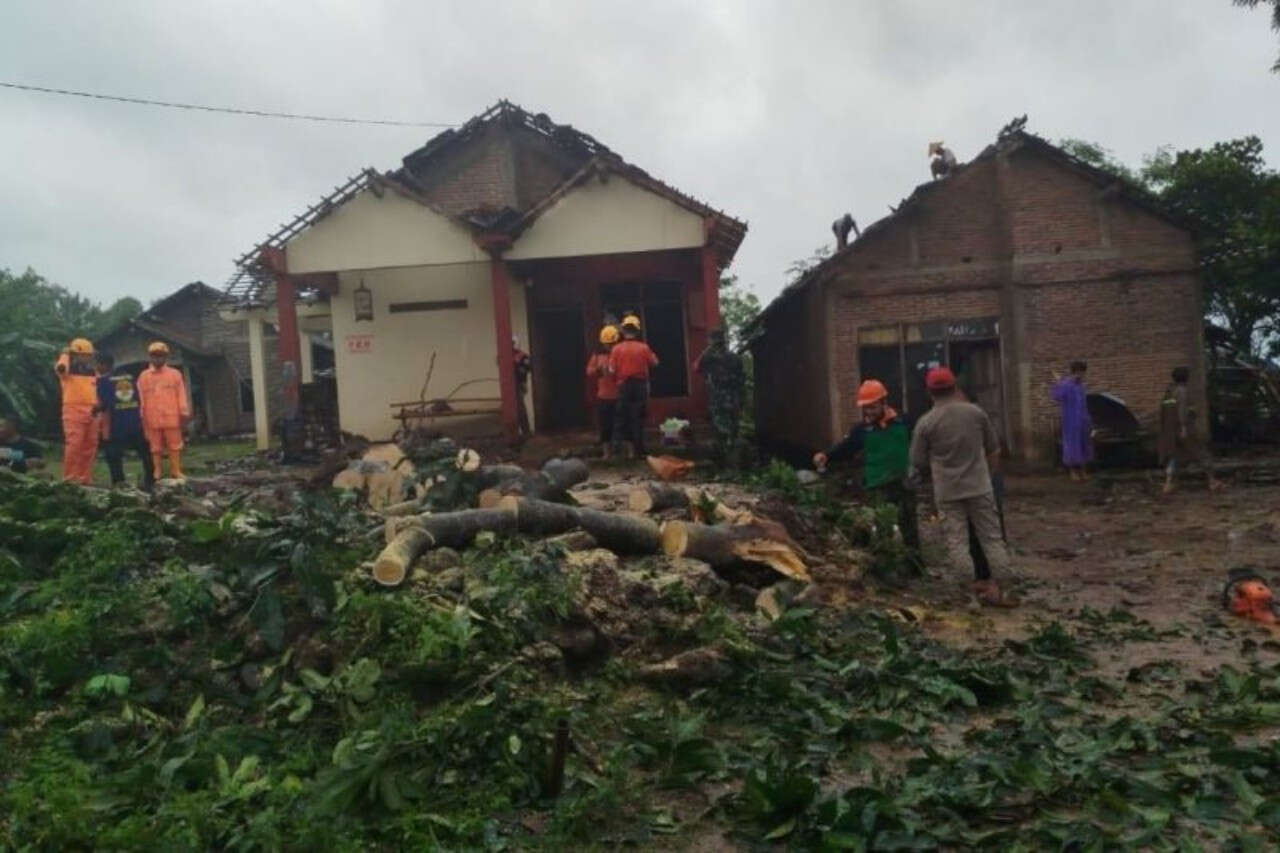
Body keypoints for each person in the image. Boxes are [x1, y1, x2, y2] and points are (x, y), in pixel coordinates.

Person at [909, 366, 1016, 606]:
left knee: (957, 542)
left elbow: (917, 461)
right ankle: (1006, 591)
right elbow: (994, 449)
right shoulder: (975, 413)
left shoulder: (926, 423)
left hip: (948, 492)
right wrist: (985, 476)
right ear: (954, 386)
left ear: (929, 392)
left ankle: (969, 597)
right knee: (991, 539)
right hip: (980, 487)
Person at [813, 379, 919, 566]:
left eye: (873, 407)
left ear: (884, 403)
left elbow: (921, 443)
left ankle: (915, 565)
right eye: (866, 408)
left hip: (903, 481)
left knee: (909, 524)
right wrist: (826, 456)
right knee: (882, 525)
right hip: (877, 483)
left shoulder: (905, 422)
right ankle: (886, 564)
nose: (868, 412)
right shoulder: (861, 430)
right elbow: (846, 448)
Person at [94, 352, 155, 491]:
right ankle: (151, 480)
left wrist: (94, 410)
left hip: (117, 424)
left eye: (97, 364)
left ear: (104, 365)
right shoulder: (130, 378)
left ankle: (119, 483)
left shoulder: (103, 381)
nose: (96, 367)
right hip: (135, 422)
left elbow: (104, 404)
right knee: (145, 453)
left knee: (113, 454)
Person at [1158, 366, 1223, 495]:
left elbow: (1163, 412)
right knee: (1200, 453)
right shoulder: (1182, 391)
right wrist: (1184, 427)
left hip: (1170, 431)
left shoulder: (1168, 393)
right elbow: (1182, 410)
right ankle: (1212, 481)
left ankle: (1168, 484)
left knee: (1174, 457)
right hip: (1185, 429)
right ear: (1186, 378)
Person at [137, 341, 190, 481]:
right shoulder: (143, 376)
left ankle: (176, 470)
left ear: (166, 357)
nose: (158, 359)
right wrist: (141, 415)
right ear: (150, 357)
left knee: (175, 445)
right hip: (152, 418)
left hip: (172, 418)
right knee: (155, 447)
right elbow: (140, 397)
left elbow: (181, 394)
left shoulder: (175, 374)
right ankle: (157, 472)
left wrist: (183, 412)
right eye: (154, 356)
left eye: (161, 356)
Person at [608, 314, 659, 458]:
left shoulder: (616, 349)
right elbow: (655, 362)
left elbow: (611, 370)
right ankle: (639, 450)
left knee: (621, 418)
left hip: (624, 385)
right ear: (637, 331)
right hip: (640, 386)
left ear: (623, 331)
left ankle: (616, 450)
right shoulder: (644, 348)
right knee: (638, 418)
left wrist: (617, 380)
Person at [694, 328, 746, 466]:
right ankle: (735, 463)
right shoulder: (735, 358)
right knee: (734, 430)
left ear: (711, 341)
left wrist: (706, 350)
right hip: (734, 398)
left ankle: (723, 464)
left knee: (721, 430)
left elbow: (696, 367)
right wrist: (742, 401)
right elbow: (742, 380)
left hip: (718, 399)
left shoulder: (709, 358)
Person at [54, 337, 100, 484]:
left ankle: (84, 477)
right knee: (75, 444)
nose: (87, 358)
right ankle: (70, 478)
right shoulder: (66, 369)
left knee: (90, 445)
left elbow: (97, 389)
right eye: (84, 355)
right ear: (75, 354)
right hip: (73, 409)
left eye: (88, 355)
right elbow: (61, 368)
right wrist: (65, 354)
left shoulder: (92, 371)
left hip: (92, 410)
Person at [1050, 361, 1093, 481]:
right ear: (1075, 371)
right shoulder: (1066, 385)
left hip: (1083, 420)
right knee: (1072, 446)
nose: (1082, 375)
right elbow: (1056, 397)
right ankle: (1072, 471)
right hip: (1070, 421)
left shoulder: (1081, 387)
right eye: (1080, 372)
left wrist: (1088, 420)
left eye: (1083, 372)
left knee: (1084, 445)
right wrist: (1058, 383)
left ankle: (1083, 471)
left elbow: (1084, 404)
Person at [587, 325, 621, 457]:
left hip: (619, 395)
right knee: (605, 426)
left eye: (612, 344)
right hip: (604, 396)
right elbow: (589, 371)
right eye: (607, 344)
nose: (609, 347)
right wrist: (599, 370)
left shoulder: (620, 355)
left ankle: (621, 452)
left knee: (621, 425)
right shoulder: (597, 356)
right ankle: (607, 453)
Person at [512, 336, 532, 438]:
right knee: (515, 409)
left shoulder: (523, 357)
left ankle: (526, 431)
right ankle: (520, 431)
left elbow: (528, 368)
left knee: (520, 408)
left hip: (520, 385)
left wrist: (517, 365)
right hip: (511, 386)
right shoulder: (508, 356)